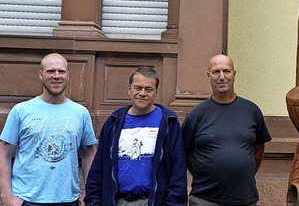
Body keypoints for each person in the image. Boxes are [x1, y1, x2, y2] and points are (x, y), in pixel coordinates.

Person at [0, 53, 97, 206]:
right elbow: (3, 153)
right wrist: (6, 196)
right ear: (41, 75)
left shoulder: (80, 113)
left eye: (61, 71)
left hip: (68, 200)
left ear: (68, 75)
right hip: (27, 199)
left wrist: (89, 193)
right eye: (50, 71)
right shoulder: (21, 111)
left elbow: (89, 153)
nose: (56, 76)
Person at [84, 66, 187, 206]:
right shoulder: (114, 122)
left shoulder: (168, 123)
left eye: (149, 89)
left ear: (156, 91)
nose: (142, 93)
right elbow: (99, 167)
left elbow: (178, 170)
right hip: (117, 201)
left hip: (153, 201)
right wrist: (93, 201)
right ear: (129, 89)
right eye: (138, 88)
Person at [182, 54, 272, 206]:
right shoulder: (196, 115)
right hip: (205, 199)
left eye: (226, 71)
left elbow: (258, 149)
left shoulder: (252, 111)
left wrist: (242, 173)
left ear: (234, 75)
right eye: (216, 72)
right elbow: (187, 153)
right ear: (208, 75)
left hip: (244, 198)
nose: (222, 77)